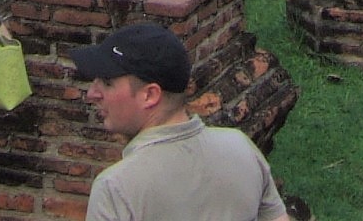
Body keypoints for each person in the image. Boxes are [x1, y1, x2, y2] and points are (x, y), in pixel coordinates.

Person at [71, 24, 287, 221]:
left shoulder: (115, 188)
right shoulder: (241, 148)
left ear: (150, 95)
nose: (92, 93)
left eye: (107, 83)